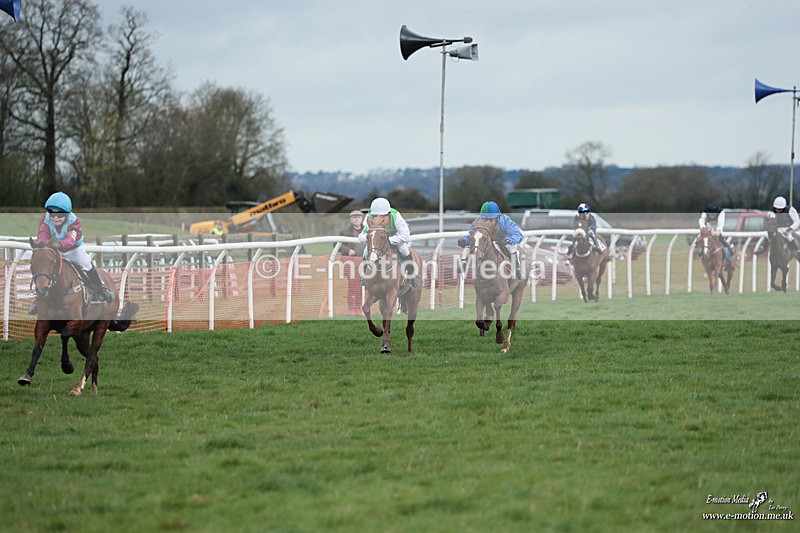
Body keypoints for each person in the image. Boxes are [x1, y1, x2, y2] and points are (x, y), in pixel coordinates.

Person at [28, 192, 115, 315]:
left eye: (60, 215)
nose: (55, 218)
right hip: (55, 249)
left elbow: (71, 238)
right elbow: (42, 232)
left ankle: (101, 289)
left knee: (86, 264)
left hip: (73, 249)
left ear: (67, 214)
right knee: (45, 267)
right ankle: (39, 300)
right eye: (52, 215)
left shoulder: (74, 221)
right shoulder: (45, 219)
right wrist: (42, 245)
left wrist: (60, 244)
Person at [358, 197, 419, 288]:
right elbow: (361, 236)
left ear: (388, 214)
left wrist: (389, 240)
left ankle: (411, 273)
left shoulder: (395, 215)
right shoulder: (369, 216)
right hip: (378, 240)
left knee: (404, 249)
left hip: (395, 237)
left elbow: (405, 235)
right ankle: (365, 275)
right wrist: (372, 239)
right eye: (375, 216)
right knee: (366, 251)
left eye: (382, 216)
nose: (378, 219)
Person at [457, 201, 525, 279]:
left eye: (491, 219)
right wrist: (465, 240)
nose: (488, 223)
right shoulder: (479, 220)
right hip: (485, 241)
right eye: (486, 219)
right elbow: (473, 235)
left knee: (511, 246)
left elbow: (518, 234)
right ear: (482, 217)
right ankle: (464, 264)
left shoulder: (505, 220)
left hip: (502, 241)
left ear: (497, 217)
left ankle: (516, 267)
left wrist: (509, 240)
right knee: (470, 245)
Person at [339, 210, 365, 313]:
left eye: (359, 217)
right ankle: (352, 308)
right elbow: (337, 244)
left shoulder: (367, 231)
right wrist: (348, 250)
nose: (357, 219)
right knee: (353, 284)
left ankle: (359, 307)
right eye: (354, 217)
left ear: (362, 219)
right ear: (351, 219)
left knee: (362, 285)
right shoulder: (344, 232)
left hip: (364, 262)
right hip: (349, 262)